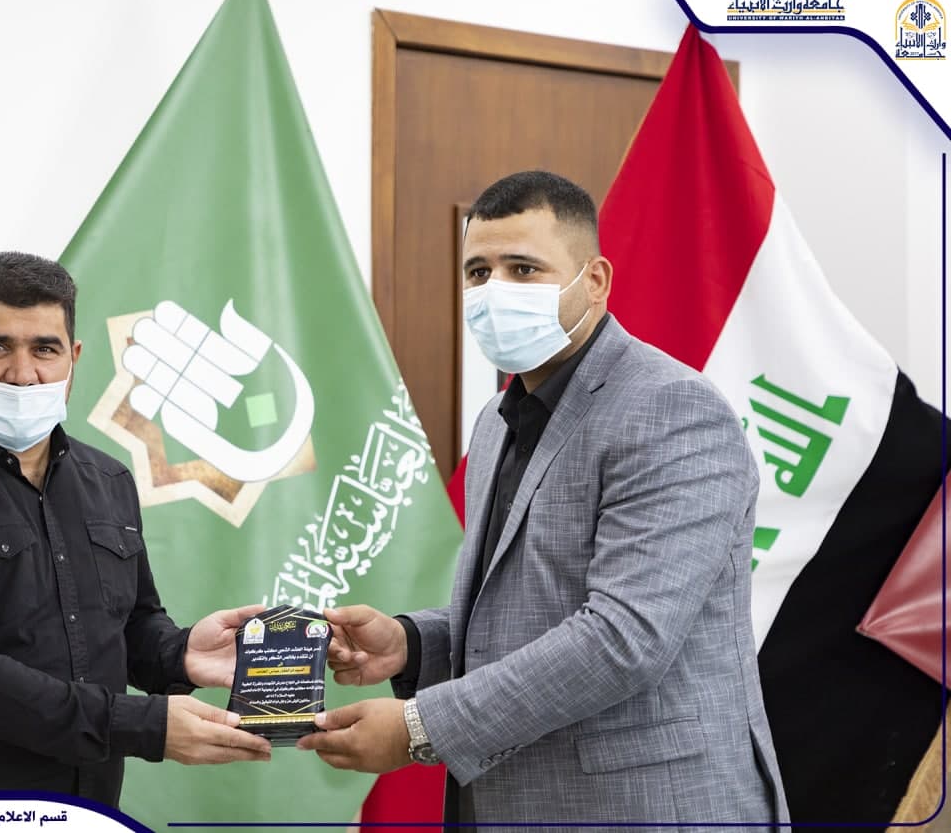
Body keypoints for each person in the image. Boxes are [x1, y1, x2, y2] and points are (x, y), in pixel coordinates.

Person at [297, 171, 790, 829]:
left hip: (645, 809)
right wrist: (410, 644)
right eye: (478, 272)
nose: (495, 291)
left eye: (523, 268)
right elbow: (533, 608)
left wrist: (419, 726)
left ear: (595, 280)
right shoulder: (496, 421)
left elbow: (623, 637)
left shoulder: (670, 409)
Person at [0, 251, 270, 806]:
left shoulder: (109, 480)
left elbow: (130, 625)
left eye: (44, 349)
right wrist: (144, 724)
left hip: (90, 807)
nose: (23, 374)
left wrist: (181, 652)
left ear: (72, 358)